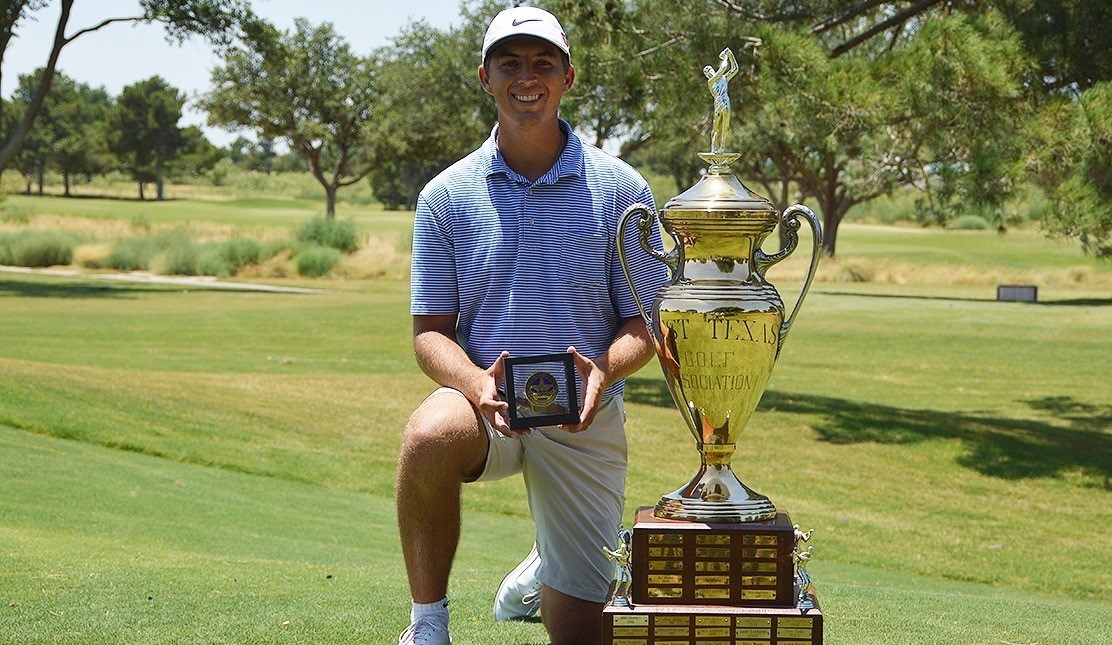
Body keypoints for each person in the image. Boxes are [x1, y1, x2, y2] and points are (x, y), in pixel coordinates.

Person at [395, 6, 667, 645]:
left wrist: (604, 369)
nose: (527, 77)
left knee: (580, 635)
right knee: (428, 436)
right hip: (487, 405)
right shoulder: (444, 196)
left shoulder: (622, 190)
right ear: (484, 77)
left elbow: (645, 323)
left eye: (543, 63)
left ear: (567, 78)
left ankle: (543, 569)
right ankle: (428, 625)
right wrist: (474, 384)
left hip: (584, 415)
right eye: (510, 63)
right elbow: (430, 333)